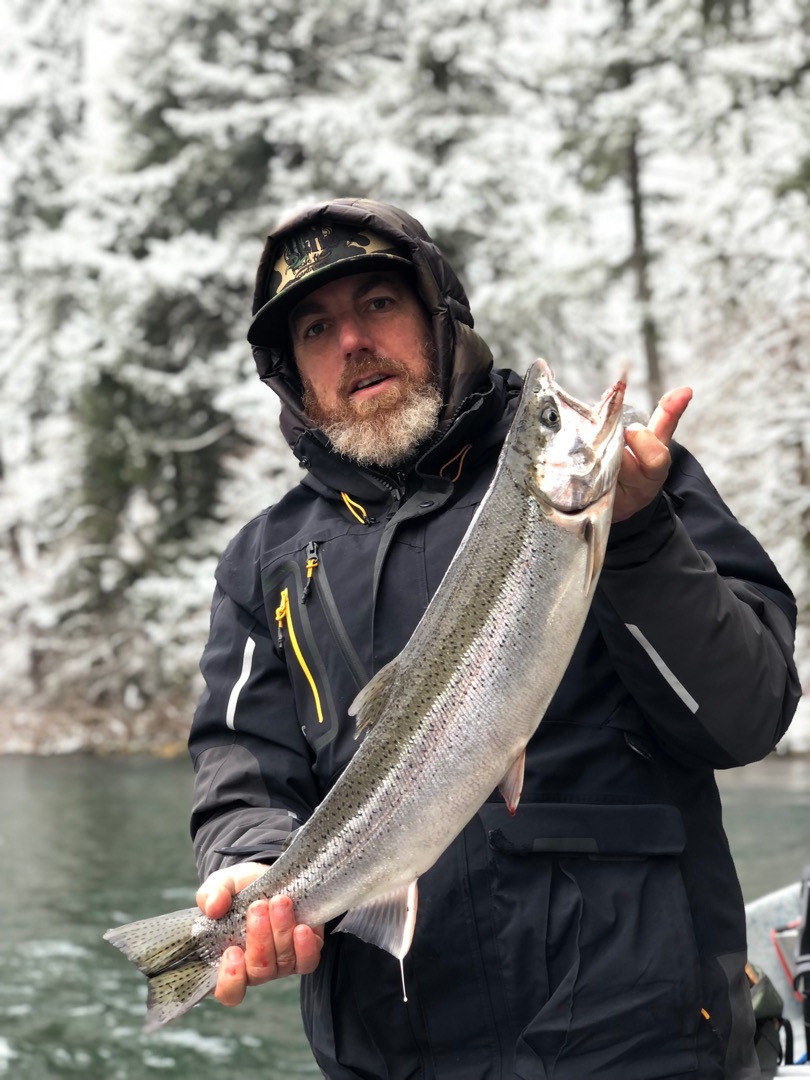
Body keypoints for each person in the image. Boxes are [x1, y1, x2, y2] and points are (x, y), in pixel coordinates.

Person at [188, 198, 800, 1080]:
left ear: (441, 314)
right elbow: (241, 762)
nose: (352, 341)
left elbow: (748, 717)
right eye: (317, 327)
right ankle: (183, 960)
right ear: (291, 371)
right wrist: (250, 866)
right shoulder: (266, 565)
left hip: (649, 1044)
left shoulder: (622, 481)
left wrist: (637, 535)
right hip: (395, 1055)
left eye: (379, 304)